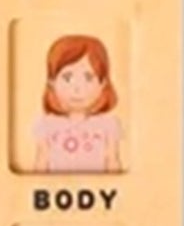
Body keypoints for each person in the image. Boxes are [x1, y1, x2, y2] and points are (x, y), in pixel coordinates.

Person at [31, 34, 123, 174]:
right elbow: (41, 162)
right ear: (52, 82)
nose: (77, 88)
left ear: (103, 83)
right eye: (67, 78)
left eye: (88, 77)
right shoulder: (47, 125)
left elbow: (113, 161)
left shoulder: (108, 125)